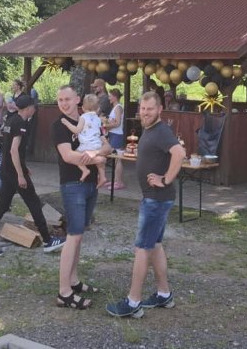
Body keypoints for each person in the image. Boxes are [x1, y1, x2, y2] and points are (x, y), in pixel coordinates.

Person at [106, 91, 185, 318]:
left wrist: (165, 179)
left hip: (156, 199)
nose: (145, 112)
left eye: (150, 109)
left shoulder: (161, 131)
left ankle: (133, 303)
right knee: (155, 245)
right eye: (142, 108)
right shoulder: (150, 130)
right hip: (154, 198)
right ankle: (164, 294)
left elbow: (179, 153)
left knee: (142, 248)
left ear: (159, 110)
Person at [0, 95, 66, 258]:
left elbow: (8, 148)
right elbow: (13, 150)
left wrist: (23, 167)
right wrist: (20, 174)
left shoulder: (11, 120)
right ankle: (47, 241)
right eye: (34, 106)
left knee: (1, 207)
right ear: (28, 108)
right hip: (13, 173)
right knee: (34, 203)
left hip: (6, 170)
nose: (35, 109)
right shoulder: (21, 123)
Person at [53, 85, 111, 310]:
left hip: (90, 184)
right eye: (60, 100)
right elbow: (68, 156)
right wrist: (97, 158)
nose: (63, 103)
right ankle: (64, 292)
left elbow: (107, 146)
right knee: (73, 235)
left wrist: (95, 154)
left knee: (79, 234)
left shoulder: (90, 119)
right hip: (72, 184)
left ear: (77, 99)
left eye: (67, 99)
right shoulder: (59, 125)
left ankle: (74, 280)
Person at [59, 93, 107, 185]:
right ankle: (102, 176)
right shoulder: (98, 119)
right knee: (99, 162)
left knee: (75, 156)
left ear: (83, 108)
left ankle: (84, 170)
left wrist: (66, 123)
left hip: (86, 145)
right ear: (98, 109)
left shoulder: (83, 117)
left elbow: (76, 130)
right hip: (97, 144)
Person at [103, 88, 126, 190]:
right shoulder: (115, 107)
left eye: (110, 96)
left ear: (115, 97)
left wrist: (106, 126)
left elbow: (118, 123)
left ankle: (119, 182)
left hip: (117, 135)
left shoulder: (118, 107)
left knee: (117, 159)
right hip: (113, 134)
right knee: (114, 159)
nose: (109, 98)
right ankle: (115, 180)